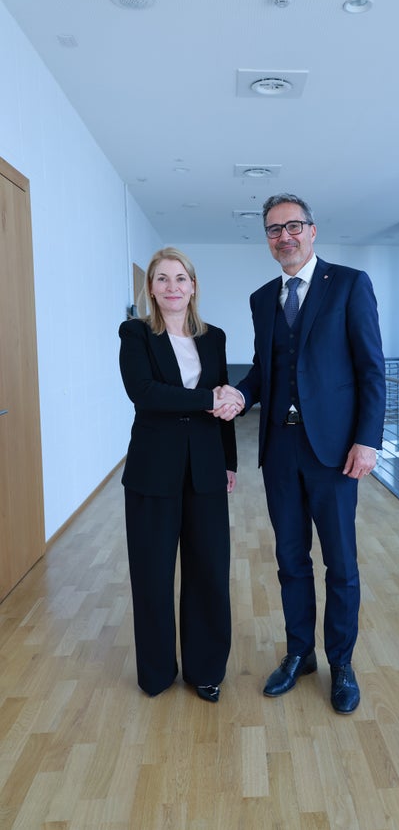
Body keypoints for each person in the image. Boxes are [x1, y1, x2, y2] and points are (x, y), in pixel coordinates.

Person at [215, 194, 386, 714]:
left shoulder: (351, 284)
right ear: (266, 238)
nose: (283, 236)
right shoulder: (262, 298)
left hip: (335, 451)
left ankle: (342, 663)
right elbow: (268, 371)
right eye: (273, 230)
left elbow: (371, 370)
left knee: (341, 563)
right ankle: (299, 654)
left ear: (312, 230)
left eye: (292, 226)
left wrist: (369, 439)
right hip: (281, 450)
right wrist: (242, 394)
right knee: (290, 559)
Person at [119, 247, 239, 702]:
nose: (173, 287)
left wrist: (228, 461)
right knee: (151, 574)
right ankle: (156, 672)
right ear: (150, 287)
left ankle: (205, 670)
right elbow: (145, 393)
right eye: (163, 278)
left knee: (209, 570)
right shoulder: (135, 334)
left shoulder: (214, 337)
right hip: (153, 471)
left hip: (206, 467)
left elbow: (224, 400)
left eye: (181, 278)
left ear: (193, 286)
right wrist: (208, 398)